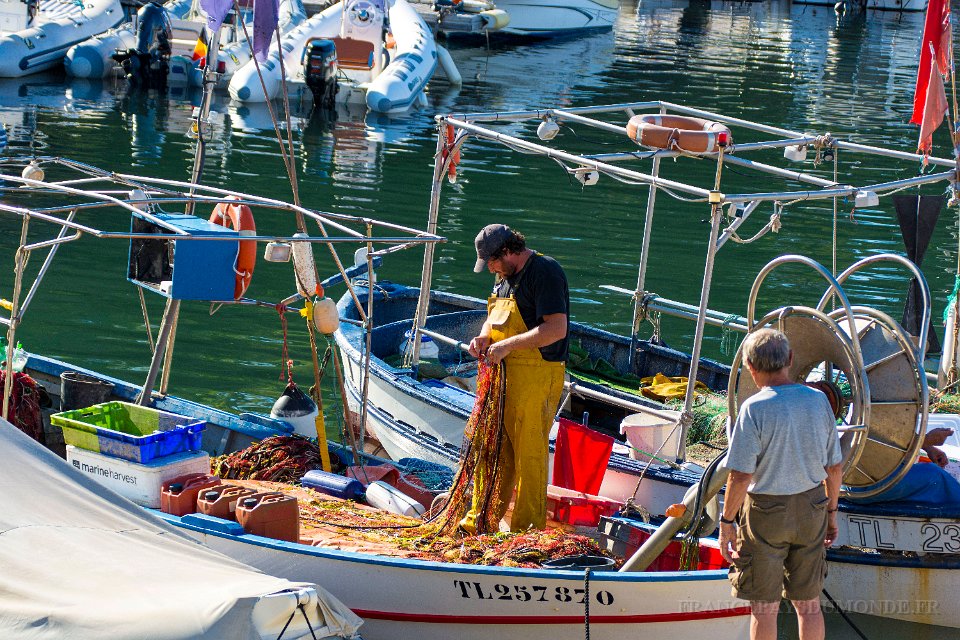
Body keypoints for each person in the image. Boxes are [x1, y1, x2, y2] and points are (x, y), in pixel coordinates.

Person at [719, 328, 843, 640]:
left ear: (750, 366)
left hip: (766, 513)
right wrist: (831, 512)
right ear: (789, 359)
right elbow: (834, 467)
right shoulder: (818, 401)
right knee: (809, 604)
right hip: (813, 506)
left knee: (764, 608)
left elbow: (740, 476)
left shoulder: (754, 409)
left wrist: (727, 521)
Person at [459, 224, 569, 533]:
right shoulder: (503, 279)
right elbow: (494, 320)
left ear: (507, 252)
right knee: (493, 452)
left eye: (491, 262)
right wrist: (482, 338)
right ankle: (480, 522)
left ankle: (526, 531)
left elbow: (556, 329)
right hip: (504, 379)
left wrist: (508, 344)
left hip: (536, 377)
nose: (491, 269)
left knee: (528, 458)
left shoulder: (544, 271)